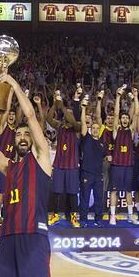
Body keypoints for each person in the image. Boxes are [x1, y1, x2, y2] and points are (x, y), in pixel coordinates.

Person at [0, 73, 63, 277]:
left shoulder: (41, 160)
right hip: (8, 236)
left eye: (27, 135)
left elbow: (29, 115)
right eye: (19, 135)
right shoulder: (9, 167)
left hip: (33, 236)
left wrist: (13, 85)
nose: (23, 137)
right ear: (14, 140)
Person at [45, 91, 80, 227]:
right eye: (66, 113)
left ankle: (73, 217)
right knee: (56, 192)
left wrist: (63, 107)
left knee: (72, 193)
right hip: (59, 164)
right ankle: (54, 215)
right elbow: (48, 119)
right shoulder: (60, 126)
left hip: (72, 166)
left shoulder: (76, 127)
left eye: (70, 113)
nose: (67, 115)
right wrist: (55, 105)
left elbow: (71, 119)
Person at [109, 87, 139, 225]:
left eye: (126, 118)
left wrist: (135, 97)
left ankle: (129, 215)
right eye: (122, 117)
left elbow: (135, 114)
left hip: (128, 166)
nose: (124, 119)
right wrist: (118, 97)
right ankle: (112, 216)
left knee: (129, 192)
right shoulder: (116, 130)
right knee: (114, 191)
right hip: (117, 165)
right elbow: (115, 115)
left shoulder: (131, 131)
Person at [78, 96, 107, 227]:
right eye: (93, 128)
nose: (95, 129)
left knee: (98, 198)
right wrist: (83, 110)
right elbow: (84, 124)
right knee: (84, 197)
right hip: (87, 173)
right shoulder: (86, 138)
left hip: (98, 175)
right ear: (91, 129)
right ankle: (83, 219)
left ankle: (98, 219)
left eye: (97, 128)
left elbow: (105, 156)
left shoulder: (102, 143)